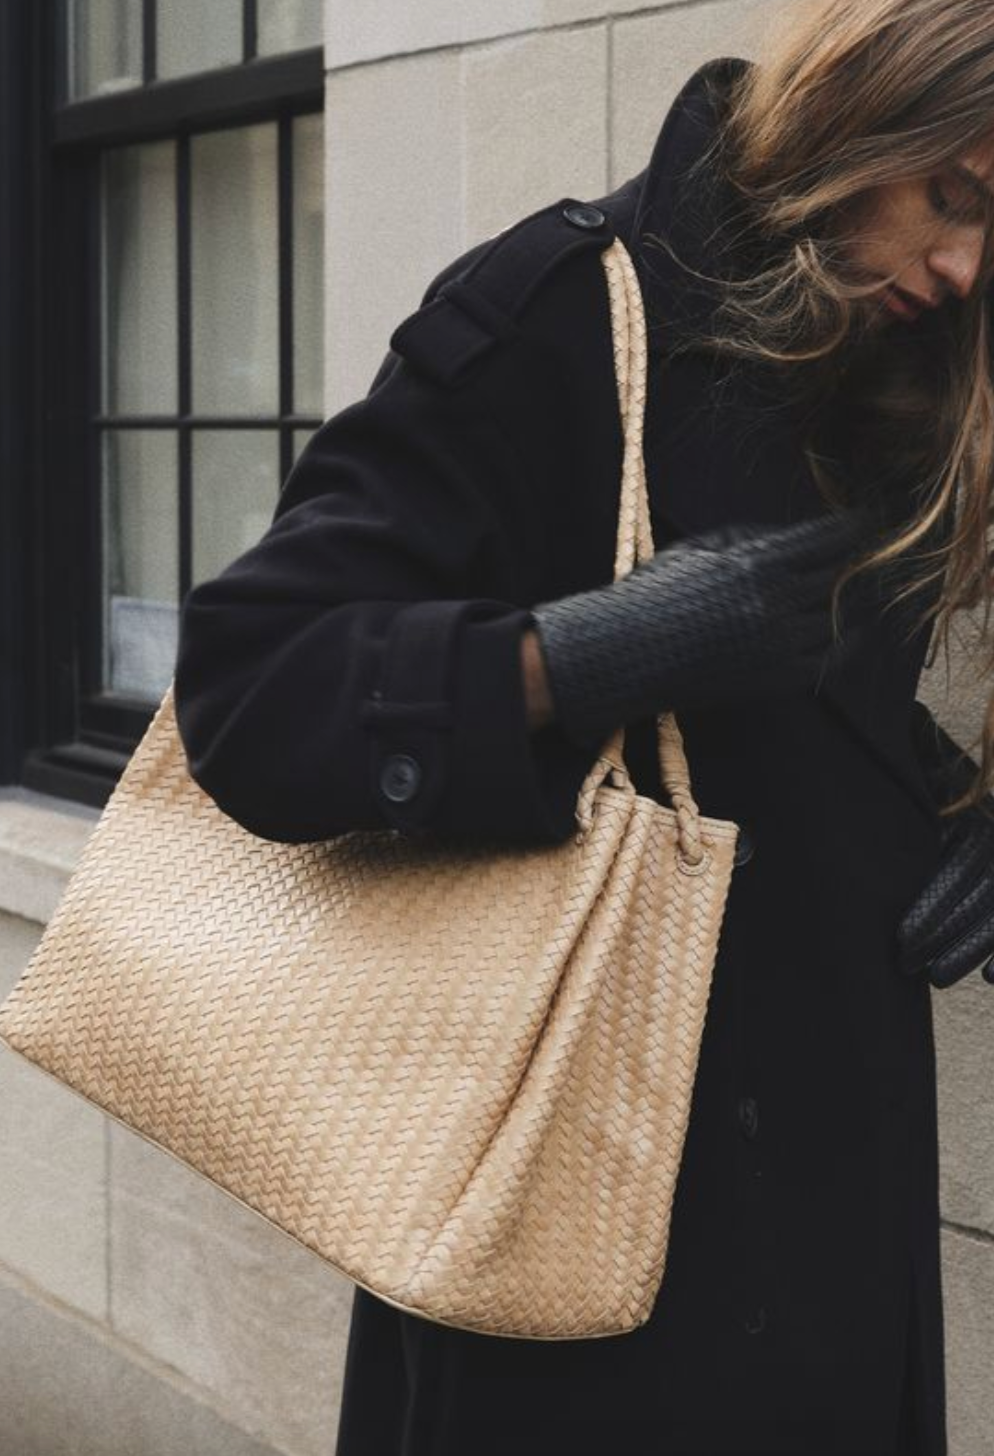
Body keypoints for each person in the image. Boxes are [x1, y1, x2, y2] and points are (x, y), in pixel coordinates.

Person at [172, 1, 994, 1451]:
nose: (964, 262)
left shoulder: (917, 376)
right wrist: (597, 650)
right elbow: (252, 690)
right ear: (860, 113)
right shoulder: (557, 306)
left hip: (836, 1194)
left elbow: (824, 723)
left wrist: (956, 814)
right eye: (957, 196)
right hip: (569, 1212)